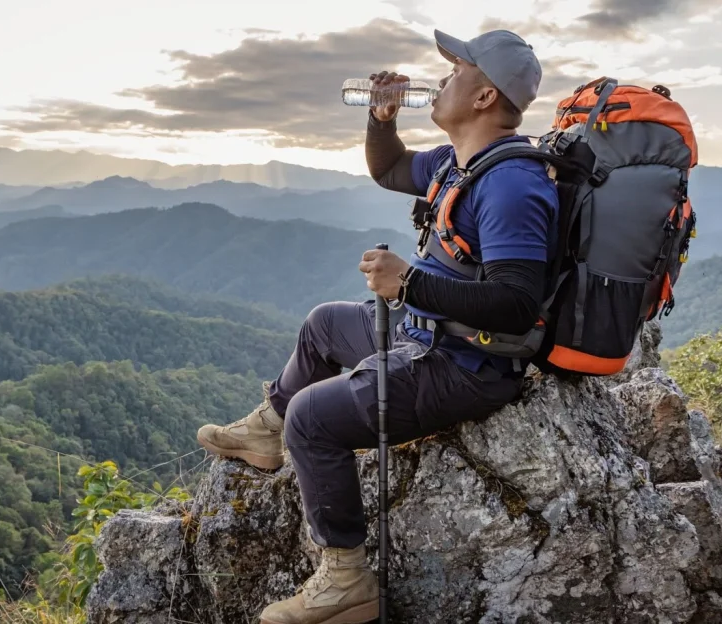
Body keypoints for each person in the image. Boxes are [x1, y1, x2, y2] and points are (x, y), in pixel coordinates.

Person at [196, 28, 558, 624]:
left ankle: (346, 579)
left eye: (457, 68)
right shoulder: (458, 161)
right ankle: (269, 431)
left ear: (485, 96)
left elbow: (517, 304)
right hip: (426, 331)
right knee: (324, 325)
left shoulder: (511, 185)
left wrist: (409, 283)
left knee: (315, 420)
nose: (442, 77)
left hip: (467, 364)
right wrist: (381, 117)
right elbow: (388, 168)